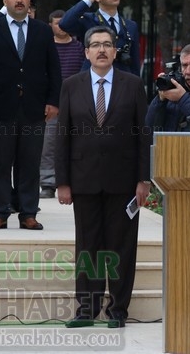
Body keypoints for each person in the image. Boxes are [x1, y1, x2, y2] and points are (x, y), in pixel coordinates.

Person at [56, 26, 152, 329]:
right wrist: (63, 181)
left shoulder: (133, 84)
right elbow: (63, 135)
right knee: (88, 247)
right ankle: (86, 310)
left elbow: (142, 135)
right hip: (83, 180)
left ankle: (118, 311)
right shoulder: (71, 85)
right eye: (95, 44)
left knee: (121, 247)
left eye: (107, 45)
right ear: (86, 52)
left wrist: (143, 179)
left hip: (122, 181)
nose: (101, 50)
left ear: (114, 51)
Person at [0, 0, 61, 230]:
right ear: (5, 1)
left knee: (30, 162)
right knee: (1, 162)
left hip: (35, 107)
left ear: (29, 1)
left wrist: (53, 101)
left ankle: (28, 213)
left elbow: (53, 69)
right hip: (0, 107)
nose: (19, 0)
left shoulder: (42, 31)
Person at [58, 0, 140, 76]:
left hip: (122, 83)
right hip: (93, 82)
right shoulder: (88, 20)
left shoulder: (130, 25)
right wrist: (88, 0)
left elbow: (135, 64)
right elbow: (65, 24)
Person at [38, 10, 85, 199]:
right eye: (57, 23)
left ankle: (75, 179)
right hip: (52, 102)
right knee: (48, 144)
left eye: (64, 22)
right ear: (50, 25)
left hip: (77, 102)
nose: (61, 26)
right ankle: (48, 183)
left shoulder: (80, 48)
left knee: (78, 143)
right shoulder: (46, 48)